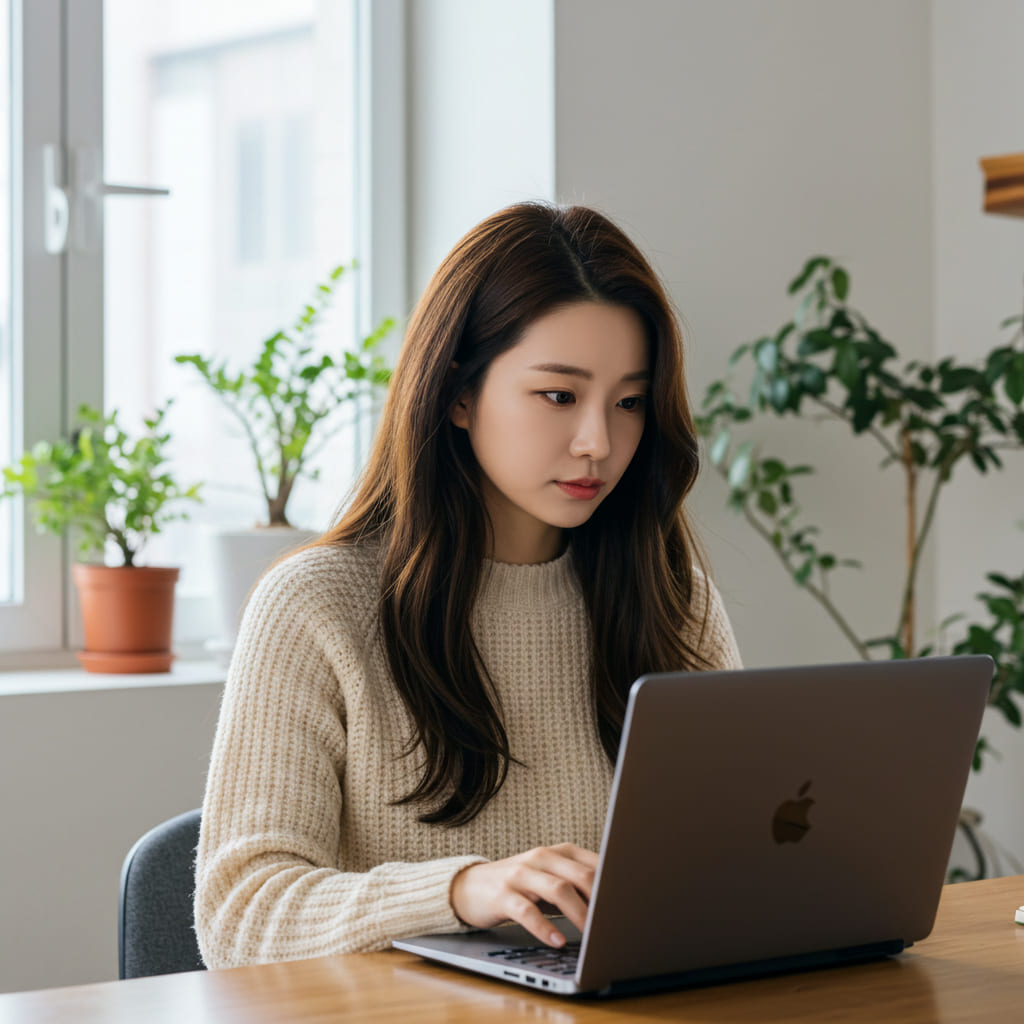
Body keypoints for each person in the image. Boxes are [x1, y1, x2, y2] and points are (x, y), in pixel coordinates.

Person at [194, 201, 742, 969]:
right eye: (559, 395)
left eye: (628, 403)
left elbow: (738, 858)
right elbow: (239, 918)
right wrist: (462, 891)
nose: (598, 442)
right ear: (457, 393)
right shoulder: (316, 605)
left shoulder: (671, 595)